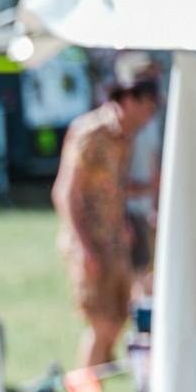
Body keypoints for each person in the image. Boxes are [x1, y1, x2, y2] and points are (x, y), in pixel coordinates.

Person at [52, 52, 161, 374]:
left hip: (115, 244)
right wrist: (85, 246)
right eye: (147, 107)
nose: (149, 117)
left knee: (115, 325)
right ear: (129, 98)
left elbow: (113, 189)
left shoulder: (124, 138)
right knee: (102, 328)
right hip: (92, 246)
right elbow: (65, 192)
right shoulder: (90, 133)